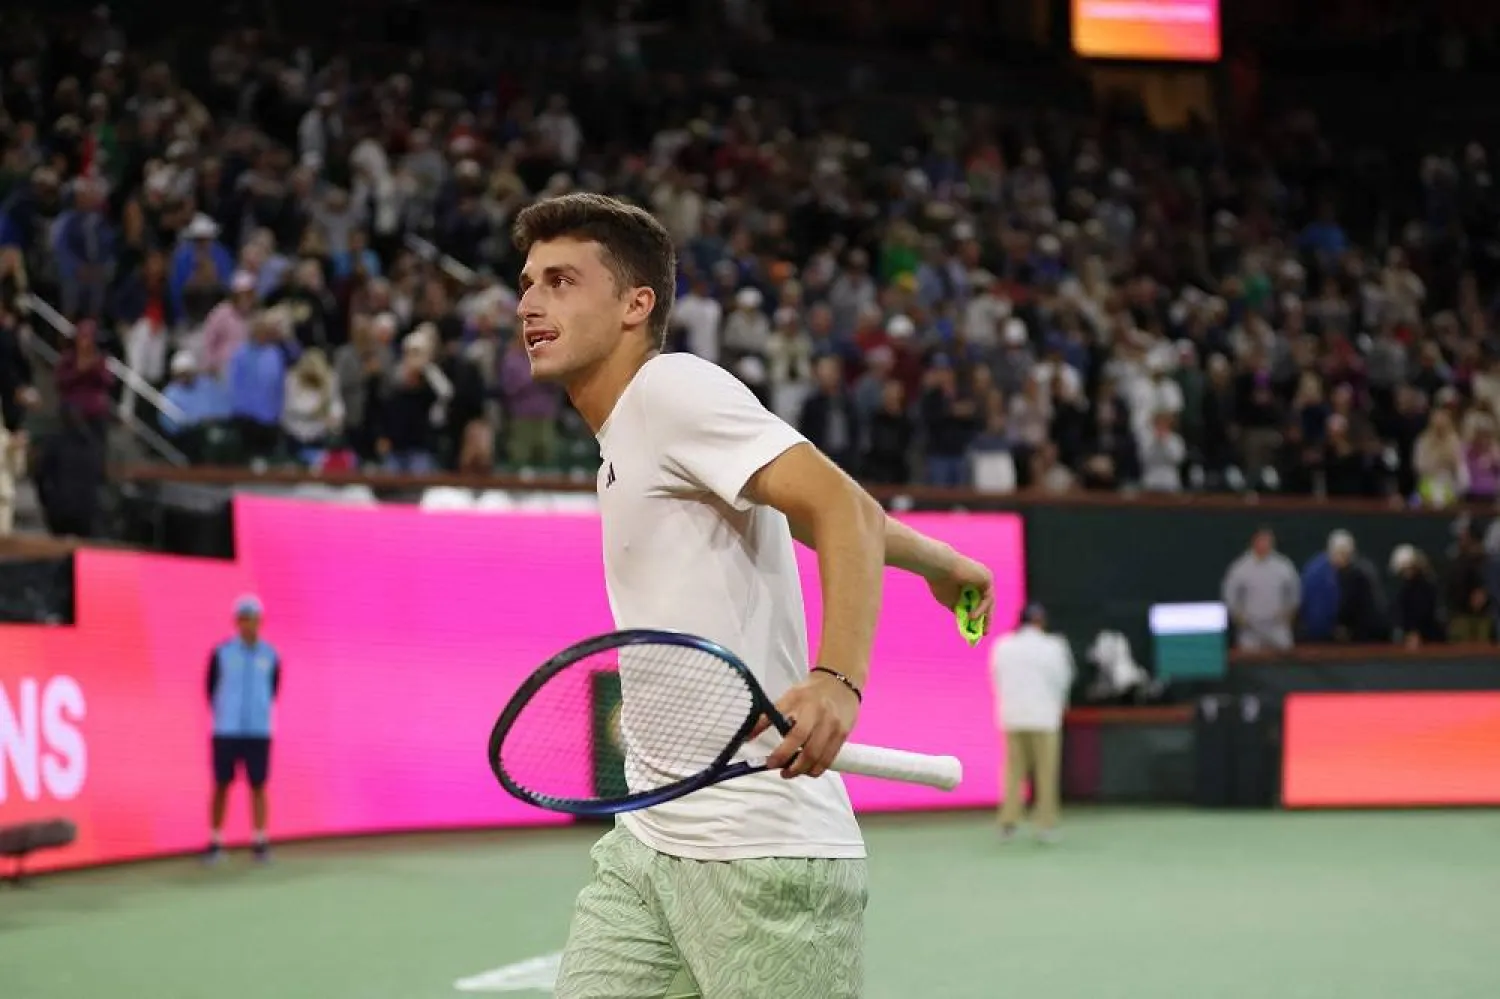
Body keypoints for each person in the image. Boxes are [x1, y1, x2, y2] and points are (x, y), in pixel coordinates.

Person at [512, 192, 996, 999]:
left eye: (561, 280)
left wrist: (838, 680)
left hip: (759, 857)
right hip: (650, 840)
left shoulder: (672, 390)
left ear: (637, 305)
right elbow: (824, 511)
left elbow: (838, 507)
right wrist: (935, 559)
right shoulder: (625, 440)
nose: (529, 302)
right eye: (527, 282)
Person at [205, 594, 281, 865]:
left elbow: (272, 690)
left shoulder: (271, 654)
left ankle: (260, 840)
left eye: (255, 618)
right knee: (221, 784)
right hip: (226, 731)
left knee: (258, 786)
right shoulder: (222, 653)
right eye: (245, 618)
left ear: (261, 621)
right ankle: (215, 841)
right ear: (237, 621)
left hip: (258, 732)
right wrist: (226, 715)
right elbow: (210, 689)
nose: (250, 623)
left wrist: (258, 714)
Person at [988, 603, 1074, 843]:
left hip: (1013, 717)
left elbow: (996, 677)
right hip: (1045, 718)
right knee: (1046, 772)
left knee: (1013, 772)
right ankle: (1045, 824)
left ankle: (1008, 823)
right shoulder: (1053, 647)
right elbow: (1062, 679)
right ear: (1041, 621)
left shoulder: (1004, 646)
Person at [1220, 527, 1301, 652]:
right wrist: (1237, 616)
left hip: (1277, 626)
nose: (1264, 544)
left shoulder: (1284, 566)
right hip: (1250, 628)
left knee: (1286, 653)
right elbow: (1229, 594)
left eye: (1268, 541)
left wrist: (1289, 613)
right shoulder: (1240, 567)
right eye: (1261, 540)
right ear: (1254, 542)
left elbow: (1295, 592)